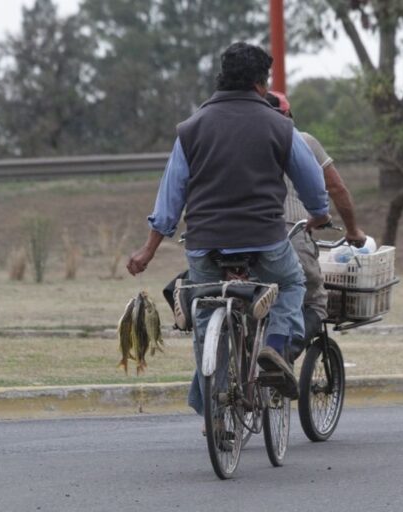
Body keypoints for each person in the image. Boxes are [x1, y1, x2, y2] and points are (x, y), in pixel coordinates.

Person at [126, 42, 330, 407]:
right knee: (291, 281)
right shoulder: (280, 127)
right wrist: (318, 213)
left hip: (205, 244)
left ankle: (211, 407)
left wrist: (148, 251)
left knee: (206, 315)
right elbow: (312, 181)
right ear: (259, 84)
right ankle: (276, 348)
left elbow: (171, 196)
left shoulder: (191, 129)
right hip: (264, 240)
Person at [264, 91, 366, 361]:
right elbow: (336, 187)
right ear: (288, 117)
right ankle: (283, 355)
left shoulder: (239, 142)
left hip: (239, 235)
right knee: (314, 301)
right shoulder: (302, 140)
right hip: (290, 232)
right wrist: (353, 230)